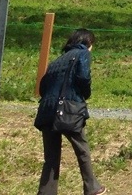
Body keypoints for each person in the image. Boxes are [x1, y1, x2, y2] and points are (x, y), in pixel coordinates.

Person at [35, 28, 105, 195]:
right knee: (82, 148)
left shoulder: (57, 61)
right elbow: (83, 77)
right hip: (69, 110)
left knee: (51, 157)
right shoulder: (83, 54)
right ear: (87, 42)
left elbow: (42, 87)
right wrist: (84, 93)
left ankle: (46, 192)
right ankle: (92, 187)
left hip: (46, 111)